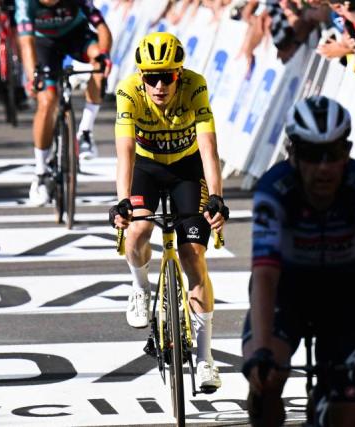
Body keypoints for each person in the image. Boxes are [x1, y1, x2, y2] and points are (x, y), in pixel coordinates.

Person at [241, 96, 355, 426]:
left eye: (332, 154)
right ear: (292, 155)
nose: (323, 166)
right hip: (285, 293)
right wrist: (260, 351)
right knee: (267, 379)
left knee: (350, 420)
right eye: (310, 155)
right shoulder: (274, 190)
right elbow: (264, 277)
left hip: (345, 296)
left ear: (346, 152)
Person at [109, 32, 230, 392]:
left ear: (180, 73)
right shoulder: (128, 91)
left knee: (194, 256)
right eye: (151, 77)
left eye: (168, 77)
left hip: (186, 170)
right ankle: (139, 287)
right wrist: (122, 202)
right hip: (146, 169)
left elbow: (209, 148)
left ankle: (207, 359)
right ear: (141, 77)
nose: (159, 85)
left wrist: (218, 198)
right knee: (138, 232)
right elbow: (125, 153)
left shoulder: (195, 87)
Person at [17, 0, 112, 206]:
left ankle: (85, 132)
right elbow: (26, 43)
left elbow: (102, 27)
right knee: (47, 101)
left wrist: (105, 57)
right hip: (43, 44)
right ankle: (41, 172)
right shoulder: (26, 3)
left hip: (75, 35)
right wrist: (34, 77)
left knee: (99, 60)